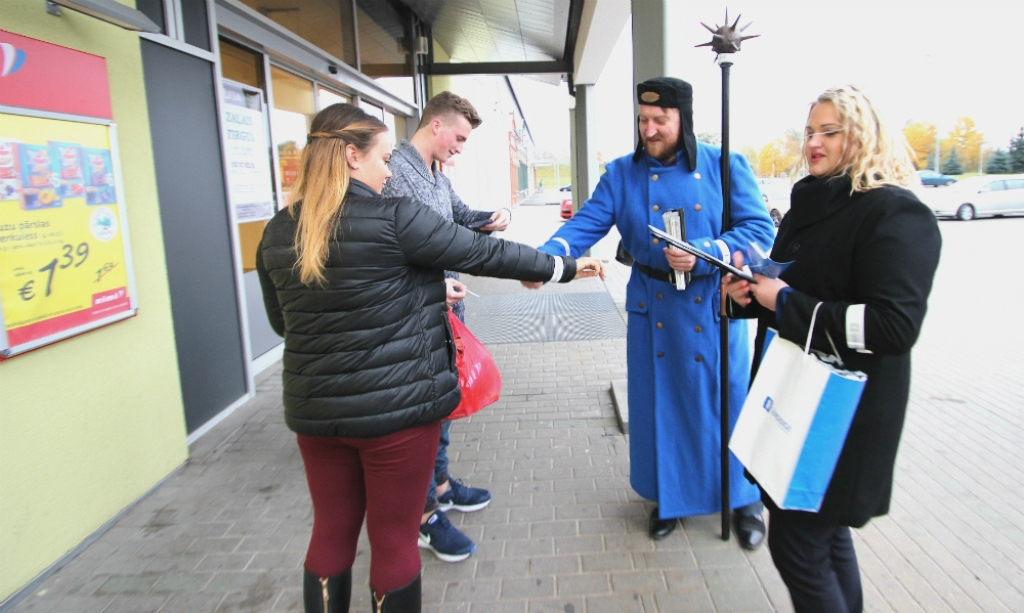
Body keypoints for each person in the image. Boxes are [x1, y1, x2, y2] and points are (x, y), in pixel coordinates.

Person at [255, 103, 604, 613]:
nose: (389, 168)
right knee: (394, 539)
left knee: (330, 534)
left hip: (316, 415)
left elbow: (284, 324)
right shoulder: (394, 217)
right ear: (352, 156)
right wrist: (563, 269)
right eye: (380, 157)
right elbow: (485, 254)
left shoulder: (277, 230)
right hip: (398, 415)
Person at [528, 77, 776, 548]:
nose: (650, 129)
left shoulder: (725, 166)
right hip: (653, 307)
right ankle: (672, 498)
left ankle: (744, 501)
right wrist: (545, 261)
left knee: (727, 404)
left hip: (712, 307)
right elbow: (585, 224)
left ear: (683, 119)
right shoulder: (622, 172)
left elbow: (758, 230)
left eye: (660, 120)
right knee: (660, 407)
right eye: (643, 120)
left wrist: (708, 251)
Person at [725, 85, 941, 612]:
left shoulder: (894, 213)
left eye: (828, 131)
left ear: (862, 135)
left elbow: (893, 328)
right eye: (809, 132)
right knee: (824, 537)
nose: (814, 143)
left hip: (845, 414)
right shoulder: (807, 204)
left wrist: (788, 301)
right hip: (796, 400)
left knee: (799, 544)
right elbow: (785, 287)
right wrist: (747, 297)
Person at [381, 91, 511, 563]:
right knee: (420, 417)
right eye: (458, 137)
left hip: (445, 314)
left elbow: (459, 217)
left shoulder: (434, 172)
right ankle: (423, 516)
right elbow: (395, 252)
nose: (460, 148)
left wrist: (494, 219)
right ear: (436, 125)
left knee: (442, 404)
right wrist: (436, 286)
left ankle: (440, 484)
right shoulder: (393, 172)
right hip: (415, 317)